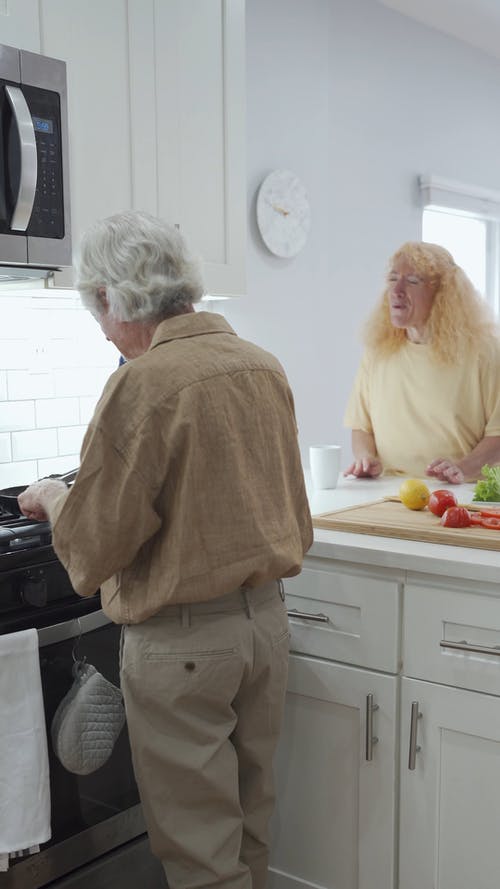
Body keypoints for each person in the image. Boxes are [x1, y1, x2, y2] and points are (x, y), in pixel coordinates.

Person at [18, 209, 313, 889]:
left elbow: (91, 550)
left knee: (202, 858)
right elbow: (293, 513)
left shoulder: (143, 382)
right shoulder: (260, 365)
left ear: (112, 299)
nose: (102, 331)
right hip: (265, 629)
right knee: (248, 834)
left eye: (97, 311)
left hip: (185, 650)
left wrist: (54, 496)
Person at [343, 241, 500, 484]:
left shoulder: (486, 352)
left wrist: (462, 468)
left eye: (413, 281)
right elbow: (361, 427)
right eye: (393, 279)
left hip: (464, 494)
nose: (397, 290)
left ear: (443, 292)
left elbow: (498, 435)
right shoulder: (378, 351)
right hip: (390, 491)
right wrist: (366, 457)